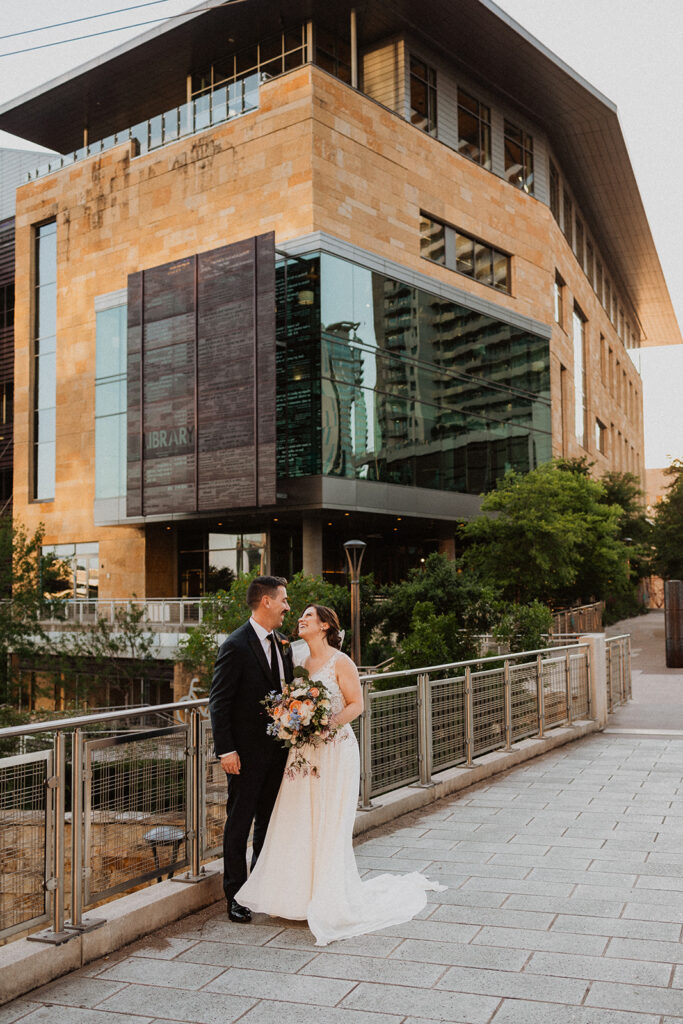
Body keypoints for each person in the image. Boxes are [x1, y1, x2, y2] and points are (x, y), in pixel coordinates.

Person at [236, 603, 445, 945]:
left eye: (306, 617)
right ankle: (294, 897)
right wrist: (295, 722)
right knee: (298, 818)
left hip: (335, 749)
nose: (299, 620)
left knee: (329, 822)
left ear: (323, 626)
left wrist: (323, 724)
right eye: (300, 615)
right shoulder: (299, 663)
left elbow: (356, 704)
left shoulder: (341, 661)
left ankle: (326, 897)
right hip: (303, 752)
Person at [209, 575, 293, 923]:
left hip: (278, 751)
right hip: (243, 755)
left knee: (268, 824)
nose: (288, 606)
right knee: (239, 822)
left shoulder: (283, 643)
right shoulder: (236, 645)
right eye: (284, 600)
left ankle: (259, 886)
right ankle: (235, 894)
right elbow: (219, 702)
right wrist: (226, 750)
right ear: (266, 602)